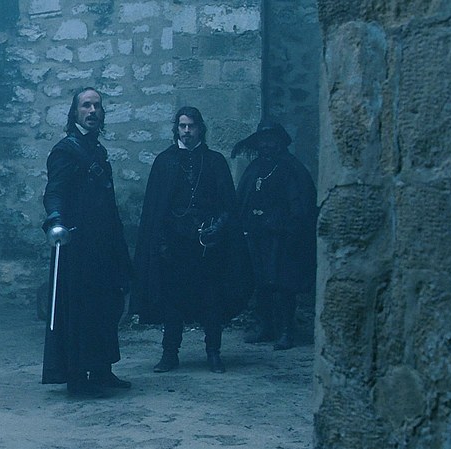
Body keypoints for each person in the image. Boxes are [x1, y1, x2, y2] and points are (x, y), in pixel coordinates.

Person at [132, 106, 244, 373]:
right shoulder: (165, 162)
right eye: (182, 126)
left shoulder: (215, 161)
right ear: (176, 129)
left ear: (200, 129)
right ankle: (170, 354)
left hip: (208, 246)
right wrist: (161, 243)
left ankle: (213, 353)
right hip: (174, 246)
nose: (186, 131)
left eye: (191, 126)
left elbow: (228, 205)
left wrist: (217, 228)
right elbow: (155, 210)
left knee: (212, 299)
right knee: (172, 302)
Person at [41, 87, 132, 398]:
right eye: (86, 106)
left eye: (97, 106)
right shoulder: (66, 151)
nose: (93, 111)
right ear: (75, 112)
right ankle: (77, 376)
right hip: (78, 246)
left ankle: (102, 369)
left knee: (105, 307)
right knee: (80, 311)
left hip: (104, 243)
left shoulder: (97, 150)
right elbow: (54, 191)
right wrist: (55, 219)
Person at [232, 117, 317, 350]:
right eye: (262, 140)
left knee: (283, 284)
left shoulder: (291, 168)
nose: (266, 145)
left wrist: (285, 225)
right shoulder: (255, 168)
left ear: (279, 142)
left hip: (283, 238)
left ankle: (287, 331)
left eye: (271, 140)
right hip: (257, 236)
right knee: (262, 283)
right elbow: (243, 199)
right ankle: (266, 326)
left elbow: (299, 204)